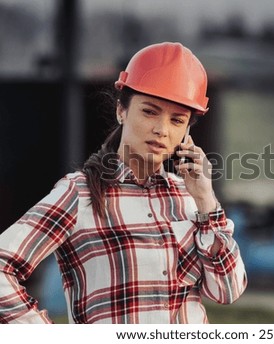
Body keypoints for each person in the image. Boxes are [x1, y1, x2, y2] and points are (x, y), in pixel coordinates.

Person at [0, 42, 247, 324]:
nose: (161, 129)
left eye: (177, 120)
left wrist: (206, 200)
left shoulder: (189, 198)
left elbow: (228, 291)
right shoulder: (79, 193)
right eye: (149, 111)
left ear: (186, 132)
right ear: (122, 111)